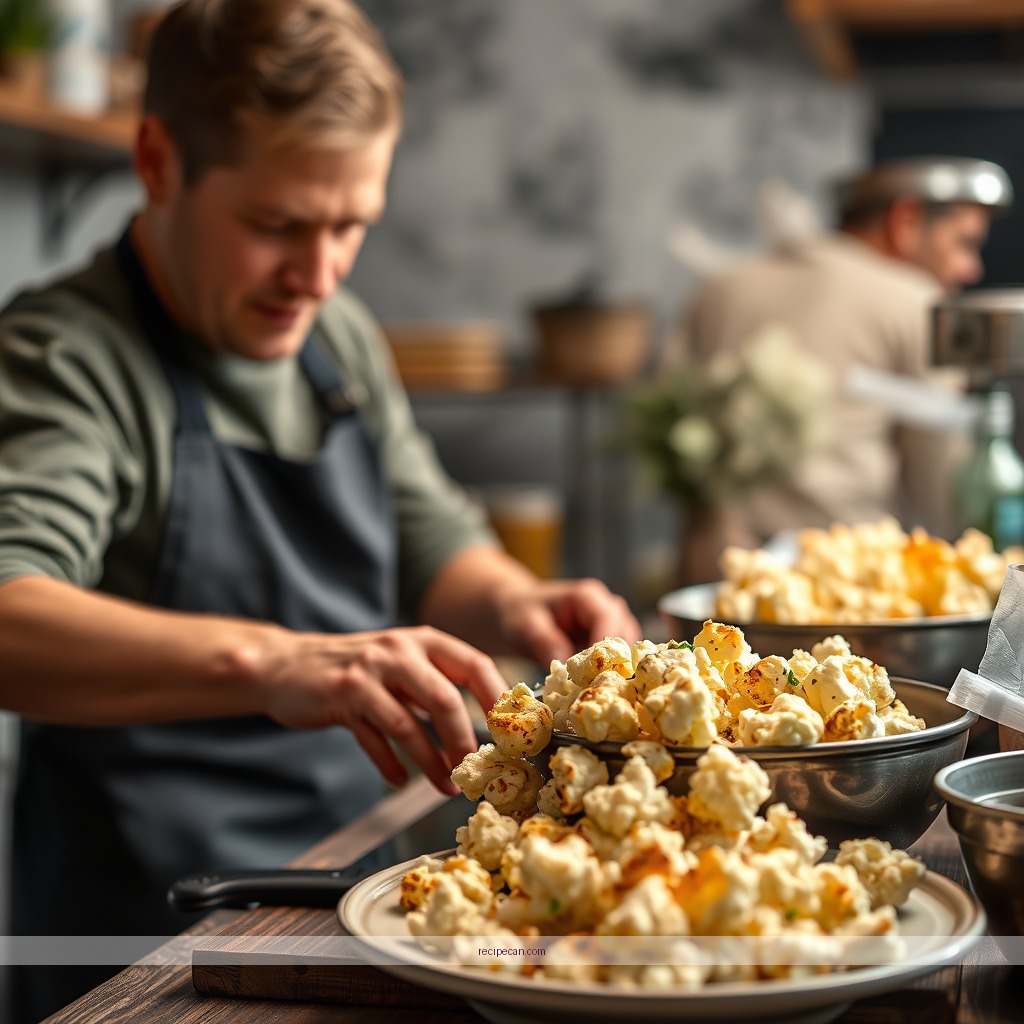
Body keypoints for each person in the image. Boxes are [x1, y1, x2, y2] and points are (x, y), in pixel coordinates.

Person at [0, 1, 641, 1019]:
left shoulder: (334, 337)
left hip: (348, 866)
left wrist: (517, 602)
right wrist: (279, 662)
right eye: (277, 225)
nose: (319, 272)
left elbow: (431, 531)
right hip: (147, 930)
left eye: (351, 225)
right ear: (158, 163)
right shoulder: (66, 360)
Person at [672, 155, 1013, 585]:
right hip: (844, 592)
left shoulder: (719, 289)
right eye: (964, 243)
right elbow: (946, 500)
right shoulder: (915, 302)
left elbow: (671, 444)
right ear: (905, 221)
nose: (972, 268)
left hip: (711, 585)